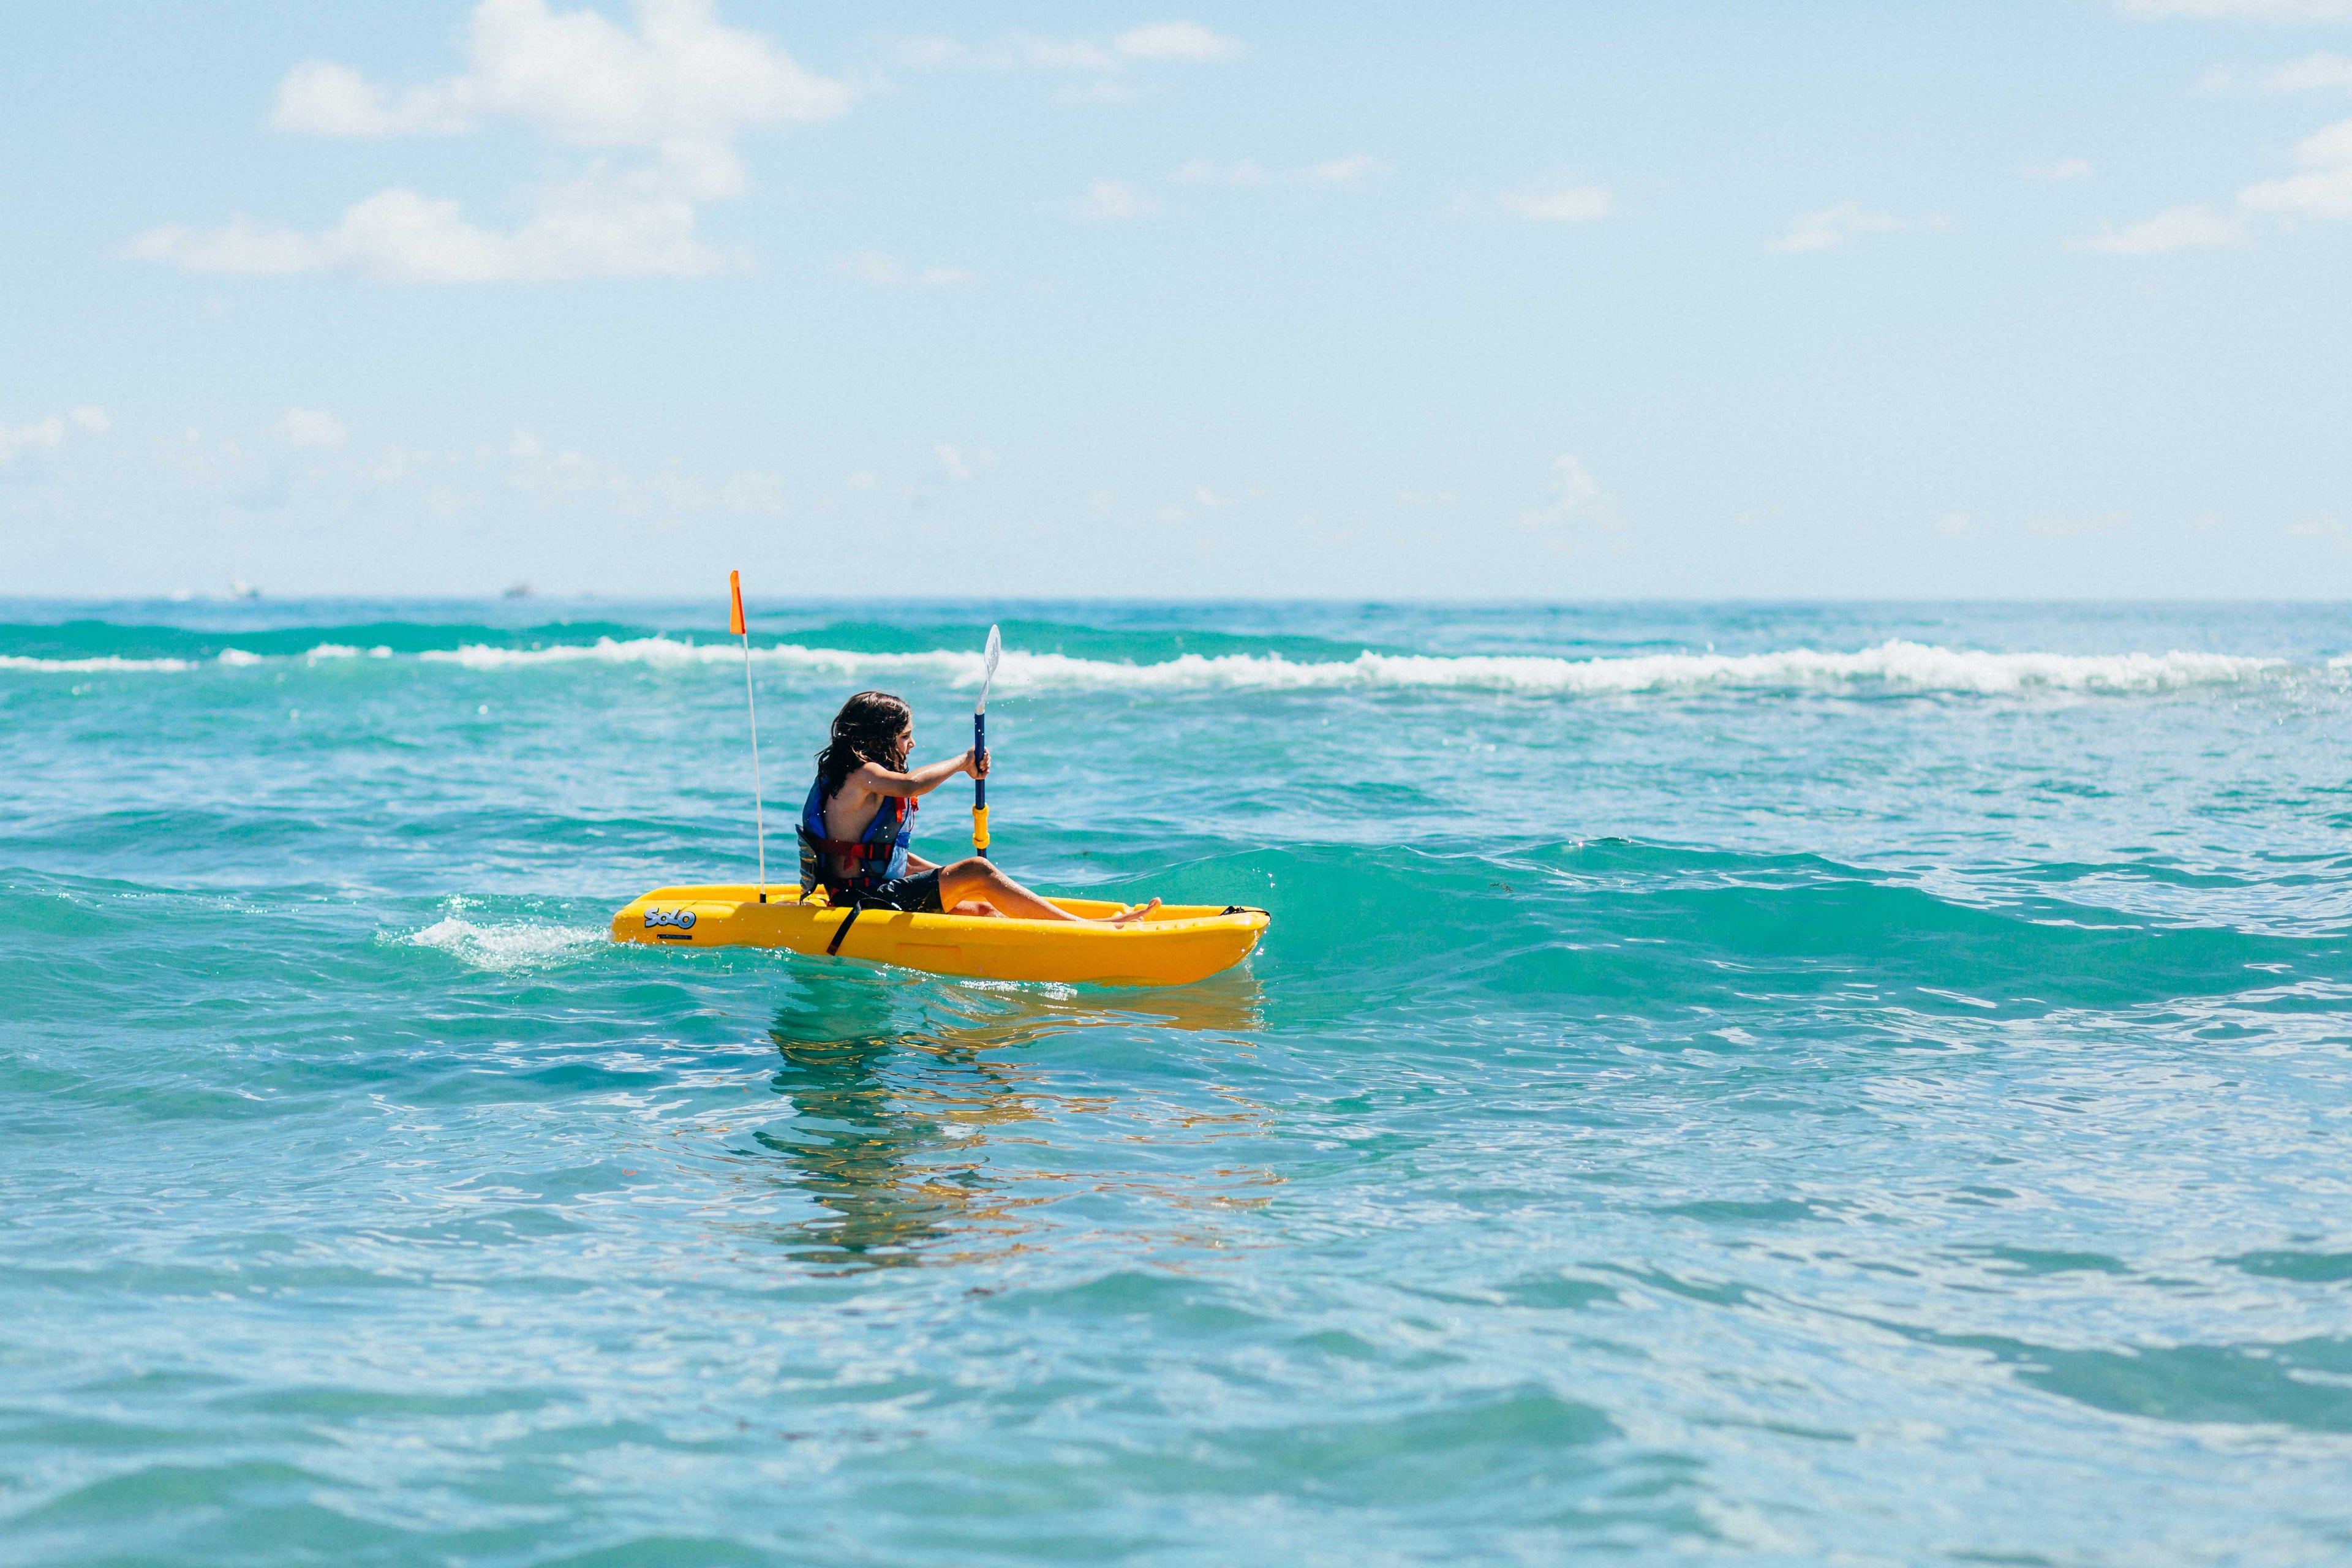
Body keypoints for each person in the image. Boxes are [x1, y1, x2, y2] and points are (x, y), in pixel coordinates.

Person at [797, 690, 1160, 924]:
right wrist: (964, 762)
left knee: (985, 908)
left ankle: (1059, 931)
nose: (913, 744)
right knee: (978, 869)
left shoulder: (859, 782)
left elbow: (892, 859)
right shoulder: (860, 776)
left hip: (874, 895)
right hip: (863, 905)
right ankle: (1091, 928)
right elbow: (910, 786)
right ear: (880, 738)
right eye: (906, 736)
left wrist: (949, 878)